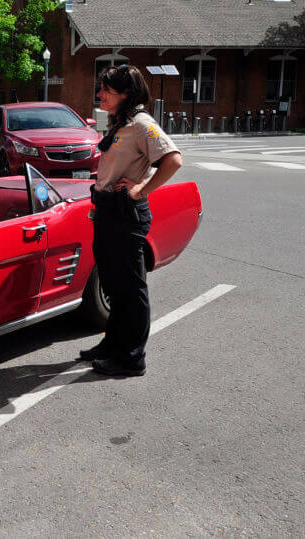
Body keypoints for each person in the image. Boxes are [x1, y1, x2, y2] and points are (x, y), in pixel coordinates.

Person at [79, 65, 183, 378]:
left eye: (107, 90)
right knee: (112, 283)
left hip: (126, 214)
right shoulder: (119, 123)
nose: (101, 95)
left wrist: (140, 189)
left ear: (126, 94)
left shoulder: (141, 124)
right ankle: (112, 345)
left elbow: (173, 160)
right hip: (108, 211)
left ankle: (131, 359)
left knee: (130, 290)